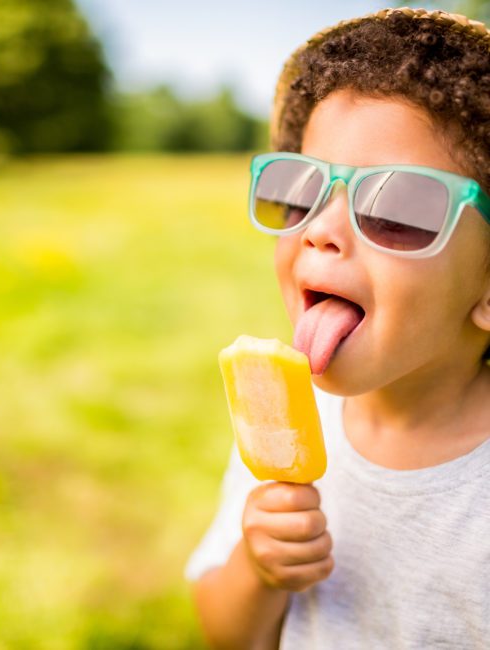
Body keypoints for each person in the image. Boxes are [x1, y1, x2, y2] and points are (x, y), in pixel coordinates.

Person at [184, 7, 490, 649]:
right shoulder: (292, 426)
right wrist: (260, 570)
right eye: (301, 189)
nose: (320, 228)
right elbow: (225, 635)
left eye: (397, 205)